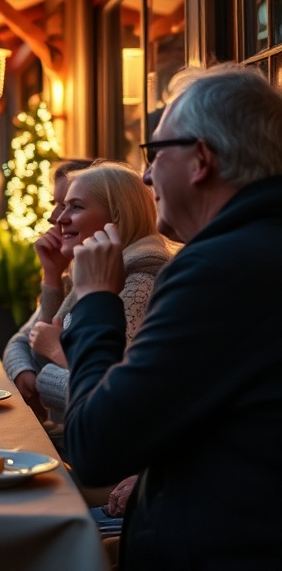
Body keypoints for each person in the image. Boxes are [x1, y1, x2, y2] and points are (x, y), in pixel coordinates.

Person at [63, 64, 282, 569]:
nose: (145, 174)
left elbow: (95, 444)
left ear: (200, 159)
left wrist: (97, 299)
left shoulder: (216, 270)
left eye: (155, 153)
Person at [4, 157, 95, 420]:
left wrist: (42, 378)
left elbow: (107, 394)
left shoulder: (118, 277)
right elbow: (22, 341)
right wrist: (52, 275)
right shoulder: (73, 268)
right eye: (57, 204)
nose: (54, 216)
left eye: (70, 205)